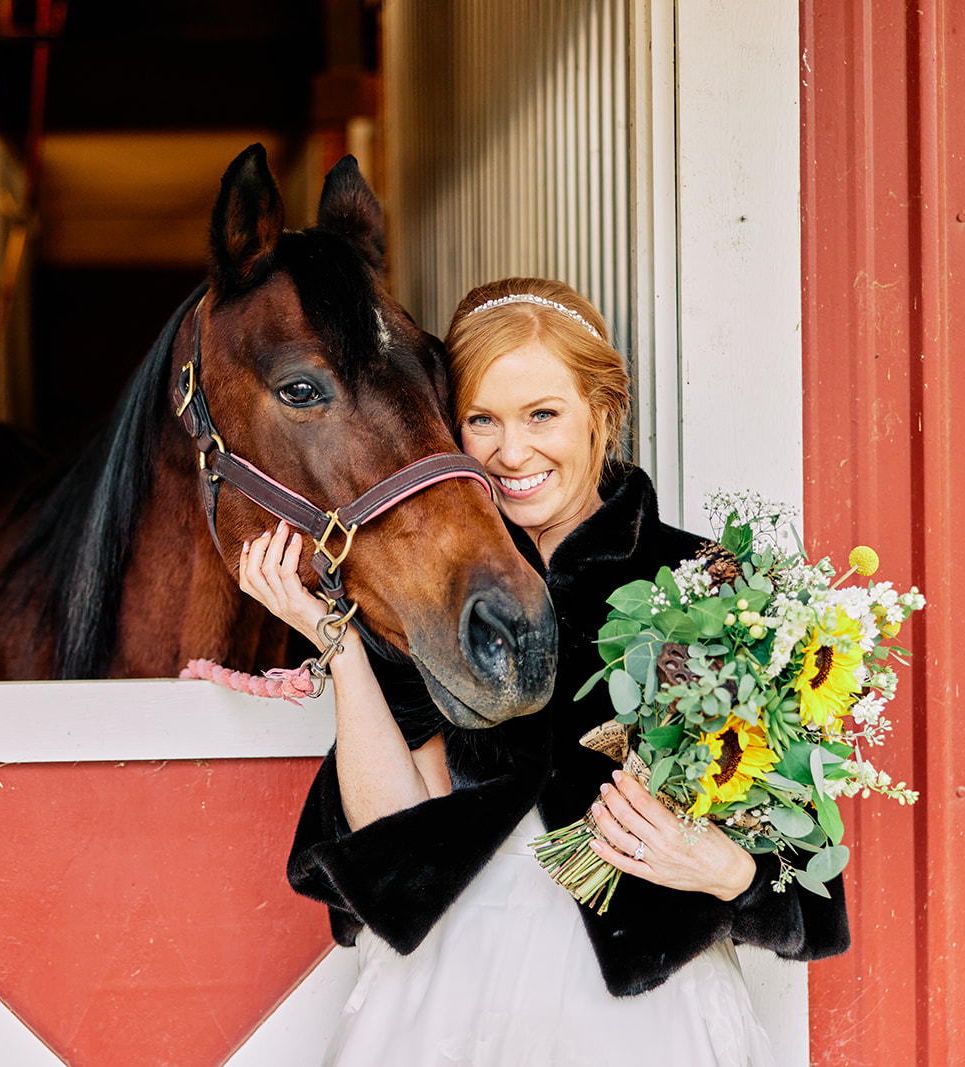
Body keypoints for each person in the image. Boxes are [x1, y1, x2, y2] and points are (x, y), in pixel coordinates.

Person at [239, 277, 849, 1066]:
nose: (512, 452)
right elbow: (397, 836)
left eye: (542, 415)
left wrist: (721, 865)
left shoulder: (712, 585)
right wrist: (340, 638)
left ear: (603, 412)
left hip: (641, 1013)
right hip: (447, 998)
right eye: (481, 420)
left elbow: (807, 890)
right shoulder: (428, 594)